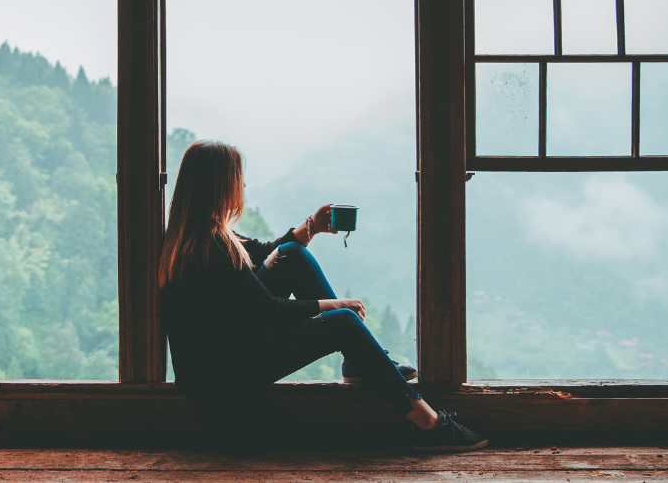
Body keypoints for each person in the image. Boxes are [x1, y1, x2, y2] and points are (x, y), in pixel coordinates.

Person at [159, 140, 488, 452]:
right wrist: (337, 305)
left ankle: (358, 363)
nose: (243, 187)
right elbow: (266, 310)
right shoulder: (212, 245)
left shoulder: (199, 234)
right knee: (343, 322)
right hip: (224, 379)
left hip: (223, 356)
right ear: (219, 186)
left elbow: (265, 254)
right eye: (238, 179)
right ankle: (429, 424)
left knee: (292, 254)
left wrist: (312, 228)